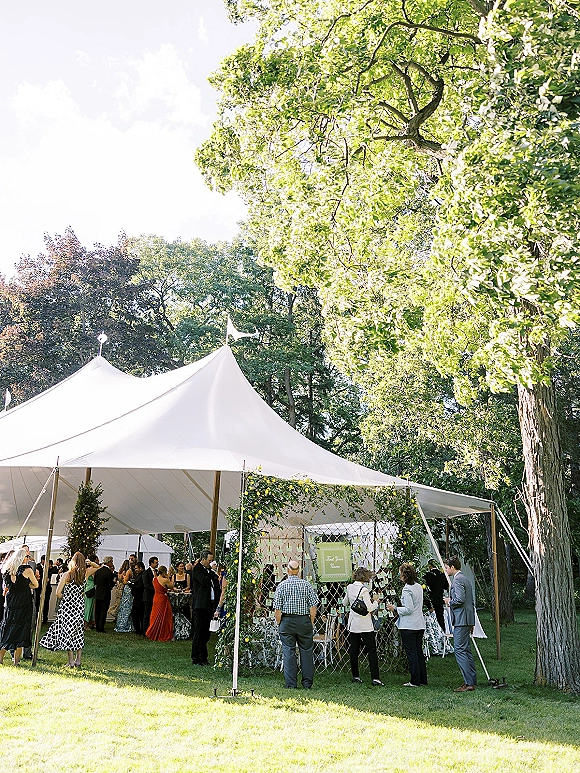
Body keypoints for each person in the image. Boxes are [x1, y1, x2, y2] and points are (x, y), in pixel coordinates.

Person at [273, 558, 319, 689]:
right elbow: (313, 606)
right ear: (298, 571)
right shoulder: (306, 585)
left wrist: (279, 623)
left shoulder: (281, 586)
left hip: (287, 621)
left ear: (287, 570)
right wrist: (311, 621)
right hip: (303, 620)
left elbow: (277, 609)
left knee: (288, 652)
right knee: (306, 651)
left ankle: (291, 683)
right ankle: (307, 683)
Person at [40, 552, 89, 667]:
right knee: (78, 632)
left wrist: (66, 597)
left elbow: (58, 593)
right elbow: (98, 567)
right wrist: (90, 563)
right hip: (79, 606)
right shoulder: (84, 575)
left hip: (67, 607)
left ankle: (71, 661)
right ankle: (78, 660)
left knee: (68, 632)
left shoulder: (67, 575)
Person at [387, 562, 428, 687]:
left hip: (409, 625)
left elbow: (408, 609)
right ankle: (422, 679)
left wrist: (395, 608)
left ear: (404, 576)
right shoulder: (418, 587)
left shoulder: (407, 589)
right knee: (418, 652)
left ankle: (415, 681)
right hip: (419, 624)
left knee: (411, 653)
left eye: (400, 574)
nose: (400, 576)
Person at [343, 567, 383, 686]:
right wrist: (376, 602)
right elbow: (370, 608)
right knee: (371, 650)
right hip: (365, 624)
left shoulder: (349, 587)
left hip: (353, 624)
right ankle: (375, 678)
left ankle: (355, 675)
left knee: (354, 650)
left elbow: (345, 603)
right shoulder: (364, 590)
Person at [444, 556, 477, 692]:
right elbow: (471, 601)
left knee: (459, 650)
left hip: (461, 620)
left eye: (446, 568)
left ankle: (468, 682)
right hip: (467, 618)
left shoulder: (457, 581)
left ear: (452, 567)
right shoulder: (465, 579)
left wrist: (448, 602)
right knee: (466, 650)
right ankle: (472, 680)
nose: (445, 570)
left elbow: (460, 599)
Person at [0, 548, 38, 665]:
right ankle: (16, 661)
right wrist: (27, 585)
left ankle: (0, 658)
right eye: (27, 557)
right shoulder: (27, 570)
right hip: (24, 603)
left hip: (11, 603)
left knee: (7, 629)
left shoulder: (6, 569)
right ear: (23, 558)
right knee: (22, 630)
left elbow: (6, 586)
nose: (28, 559)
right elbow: (35, 584)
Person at [191, 550, 220, 666]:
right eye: (209, 560)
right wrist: (211, 572)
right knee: (198, 632)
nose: (211, 562)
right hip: (200, 606)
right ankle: (195, 657)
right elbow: (204, 581)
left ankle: (203, 657)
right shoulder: (197, 569)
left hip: (209, 605)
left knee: (205, 634)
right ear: (203, 560)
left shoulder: (209, 572)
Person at [146, 565, 174, 641]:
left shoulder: (154, 579)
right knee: (165, 616)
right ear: (164, 572)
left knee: (155, 615)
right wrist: (168, 577)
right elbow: (171, 586)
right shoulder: (165, 580)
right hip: (162, 599)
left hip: (156, 598)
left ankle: (153, 632)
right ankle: (163, 633)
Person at [424, 559, 448, 631]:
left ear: (429, 566)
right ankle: (443, 633)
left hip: (430, 600)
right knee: (440, 618)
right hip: (440, 599)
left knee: (430, 619)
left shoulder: (427, 575)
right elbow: (446, 587)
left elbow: (424, 589)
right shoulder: (442, 575)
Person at [93, 556, 115, 633]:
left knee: (97, 611)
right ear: (108, 562)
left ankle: (97, 626)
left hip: (98, 592)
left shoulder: (98, 571)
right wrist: (113, 583)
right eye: (111, 562)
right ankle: (101, 627)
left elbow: (95, 582)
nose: (112, 563)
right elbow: (110, 584)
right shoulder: (109, 572)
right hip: (105, 594)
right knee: (103, 611)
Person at [114, 560, 135, 633]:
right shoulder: (130, 571)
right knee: (127, 607)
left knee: (125, 607)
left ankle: (123, 624)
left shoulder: (124, 571)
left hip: (125, 589)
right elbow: (125, 581)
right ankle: (125, 625)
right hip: (128, 589)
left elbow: (123, 580)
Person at [142, 556, 159, 634]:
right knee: (147, 614)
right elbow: (146, 585)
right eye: (156, 562)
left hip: (156, 597)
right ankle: (145, 630)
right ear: (151, 563)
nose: (157, 564)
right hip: (148, 597)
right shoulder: (146, 572)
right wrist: (155, 589)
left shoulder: (158, 572)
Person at [84, 554, 99, 630]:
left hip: (88, 589)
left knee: (90, 607)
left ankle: (91, 622)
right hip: (90, 589)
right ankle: (85, 624)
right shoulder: (90, 570)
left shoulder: (86, 570)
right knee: (88, 607)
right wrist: (91, 562)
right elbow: (98, 567)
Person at [130, 561, 146, 635]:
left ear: (141, 568)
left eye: (136, 568)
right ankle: (138, 629)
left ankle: (139, 629)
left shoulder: (142, 575)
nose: (135, 569)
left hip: (139, 597)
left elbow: (140, 586)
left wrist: (131, 585)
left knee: (137, 614)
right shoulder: (140, 575)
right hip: (138, 597)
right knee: (137, 614)